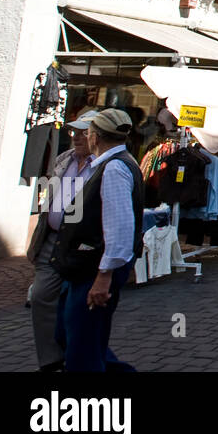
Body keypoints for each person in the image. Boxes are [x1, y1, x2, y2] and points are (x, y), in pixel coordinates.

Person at [51, 109, 141, 373]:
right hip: (86, 264)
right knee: (72, 334)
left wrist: (104, 276)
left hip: (96, 266)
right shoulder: (114, 163)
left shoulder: (114, 168)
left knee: (82, 345)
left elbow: (120, 227)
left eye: (88, 133)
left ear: (95, 137)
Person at [28, 112, 97, 372]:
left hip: (81, 246)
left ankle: (82, 358)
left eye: (83, 132)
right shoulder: (63, 159)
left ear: (96, 135)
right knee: (41, 295)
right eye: (75, 132)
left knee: (77, 308)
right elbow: (50, 201)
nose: (77, 137)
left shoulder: (102, 165)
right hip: (53, 239)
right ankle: (50, 360)